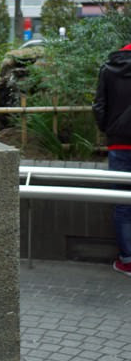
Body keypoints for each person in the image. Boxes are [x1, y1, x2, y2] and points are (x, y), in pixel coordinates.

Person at [93, 43, 131, 276]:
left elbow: (99, 106)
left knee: (122, 203)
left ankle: (127, 260)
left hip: (118, 143)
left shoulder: (109, 68)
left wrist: (109, 129)